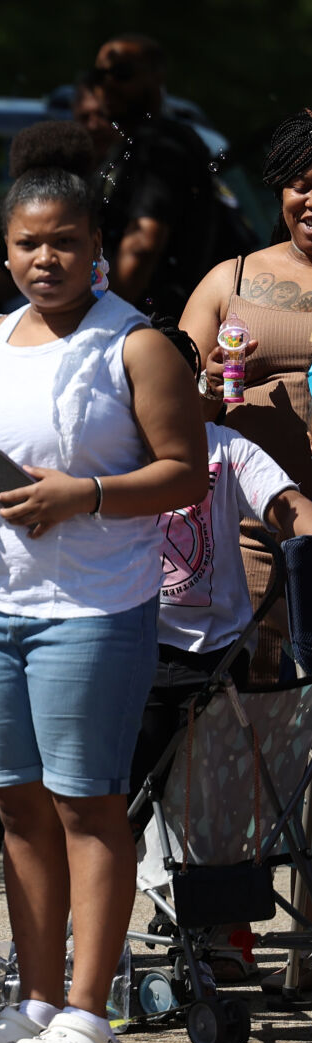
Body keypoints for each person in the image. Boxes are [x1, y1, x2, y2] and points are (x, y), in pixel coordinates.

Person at [0, 136, 207, 1043]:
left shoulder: (133, 344)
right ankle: (35, 1001)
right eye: (28, 243)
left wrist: (79, 495)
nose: (46, 260)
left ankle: (90, 1010)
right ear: (4, 249)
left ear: (98, 245)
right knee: (19, 809)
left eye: (65, 243)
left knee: (88, 805)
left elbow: (183, 475)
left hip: (91, 607)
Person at [131, 321, 312, 793]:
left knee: (214, 806)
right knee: (124, 801)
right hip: (126, 652)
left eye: (170, 380)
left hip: (217, 659)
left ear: (191, 383)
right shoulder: (102, 453)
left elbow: (290, 508)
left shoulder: (225, 447)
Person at [179, 108, 312, 685]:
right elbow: (174, 422)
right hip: (248, 541)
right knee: (258, 716)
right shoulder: (227, 282)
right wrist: (211, 380)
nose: (311, 202)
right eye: (301, 186)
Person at [91, 35, 220, 319]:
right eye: (99, 75)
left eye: (122, 73)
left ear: (156, 76)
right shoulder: (131, 145)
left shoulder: (164, 147)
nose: (107, 84)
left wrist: (99, 323)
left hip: (154, 325)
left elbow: (142, 247)